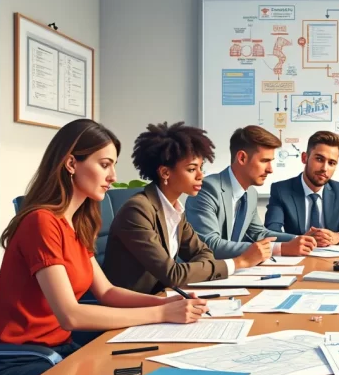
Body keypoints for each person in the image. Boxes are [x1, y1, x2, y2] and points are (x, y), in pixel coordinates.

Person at [0, 120, 208, 375]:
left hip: (57, 352)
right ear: (71, 163)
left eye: (113, 166)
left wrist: (166, 302)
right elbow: (71, 314)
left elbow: (106, 290)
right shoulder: (41, 223)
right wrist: (160, 314)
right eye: (104, 165)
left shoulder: (76, 222)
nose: (112, 177)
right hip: (9, 367)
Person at [103, 122, 244, 295]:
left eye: (201, 168)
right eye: (192, 169)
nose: (201, 175)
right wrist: (237, 263)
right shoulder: (138, 211)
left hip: (165, 299)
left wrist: (188, 272)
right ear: (165, 173)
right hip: (133, 308)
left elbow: (203, 252)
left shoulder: (174, 210)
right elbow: (172, 274)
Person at [186, 125, 317, 258]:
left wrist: (299, 239)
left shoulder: (250, 193)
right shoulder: (207, 189)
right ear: (242, 158)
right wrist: (280, 248)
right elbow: (209, 245)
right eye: (265, 161)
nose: (270, 169)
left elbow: (259, 234)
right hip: (199, 273)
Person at [265, 131, 339, 245]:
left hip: (330, 259)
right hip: (297, 257)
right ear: (304, 158)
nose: (324, 168)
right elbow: (271, 232)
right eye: (319, 159)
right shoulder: (281, 190)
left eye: (331, 163)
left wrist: (338, 237)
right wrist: (299, 240)